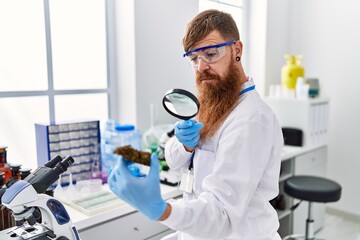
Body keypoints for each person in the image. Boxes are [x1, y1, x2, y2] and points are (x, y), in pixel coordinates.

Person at [108, 9, 283, 240]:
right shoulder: (215, 99)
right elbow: (175, 162)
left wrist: (162, 210)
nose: (201, 67)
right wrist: (184, 146)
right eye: (193, 59)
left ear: (237, 50)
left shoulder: (250, 120)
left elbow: (222, 215)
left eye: (210, 54)